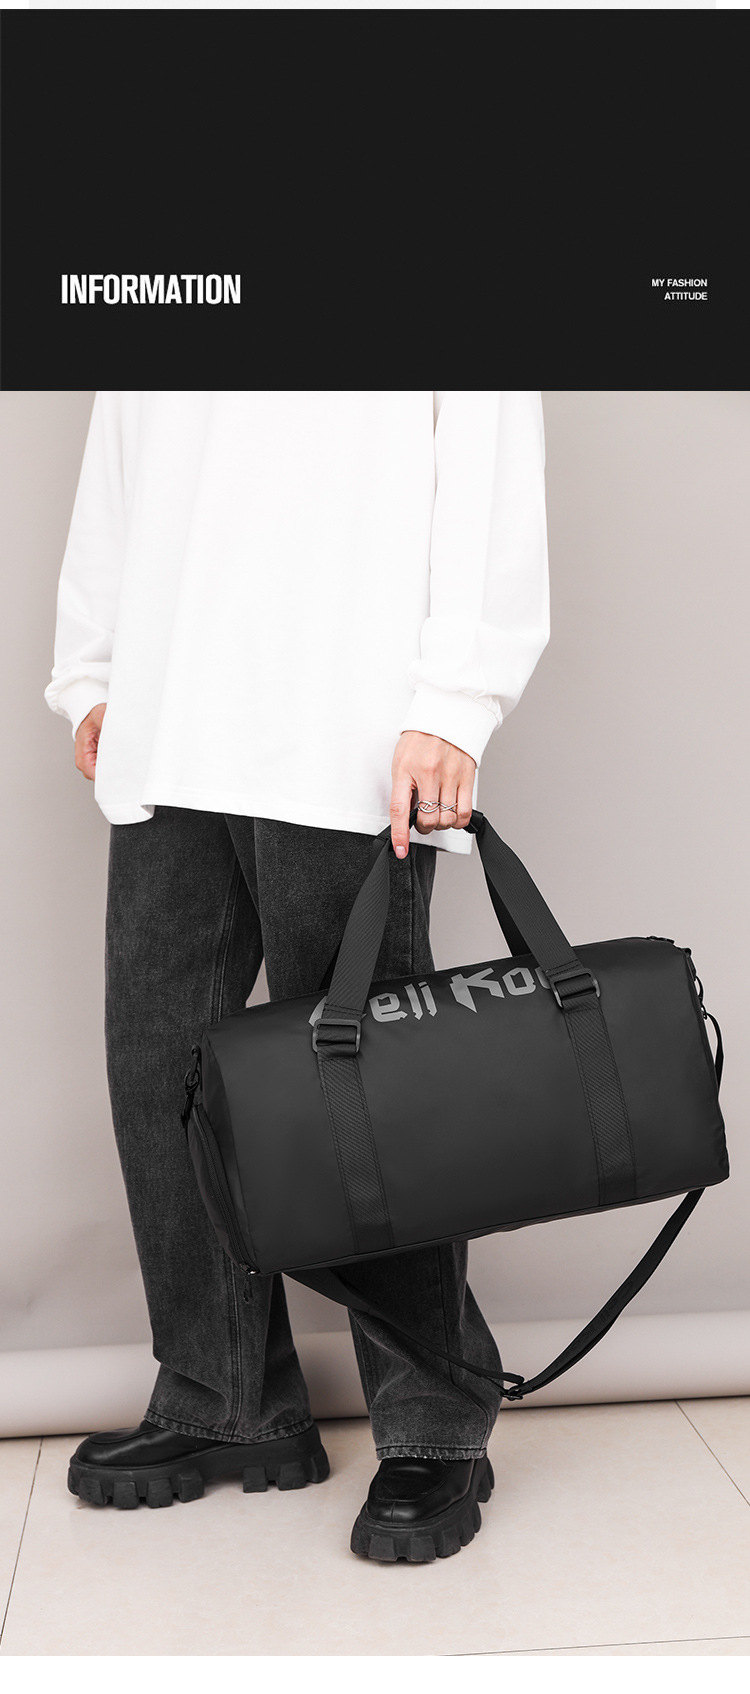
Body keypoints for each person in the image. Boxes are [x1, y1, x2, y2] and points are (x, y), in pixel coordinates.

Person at [44, 391, 550, 1562]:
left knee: (368, 1091)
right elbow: (125, 439)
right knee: (162, 1068)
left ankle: (432, 1421)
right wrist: (94, 667)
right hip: (170, 712)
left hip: (345, 721)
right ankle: (222, 1392)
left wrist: (456, 701)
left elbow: (487, 459)